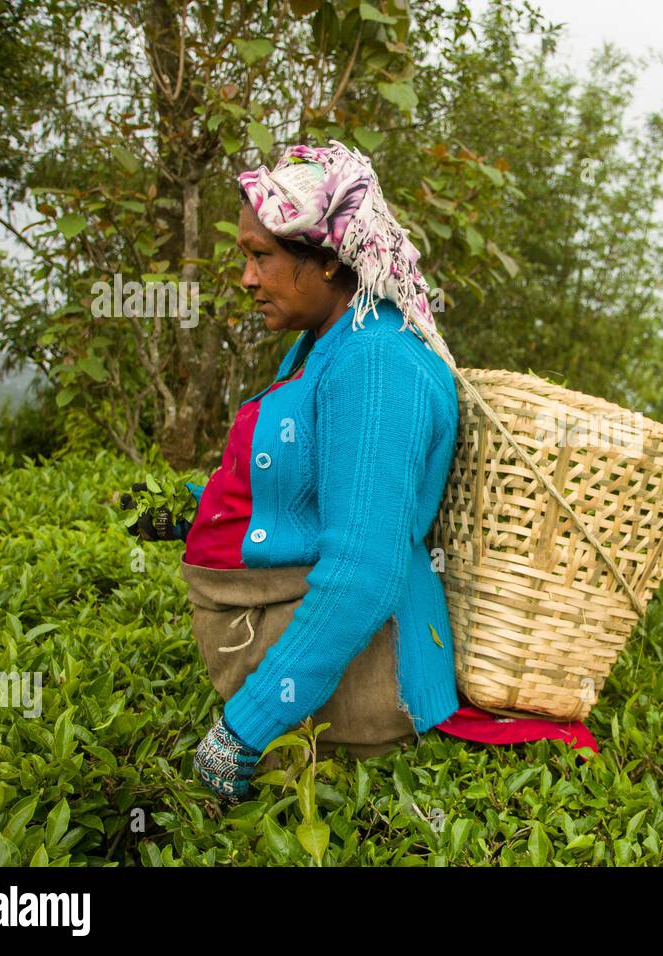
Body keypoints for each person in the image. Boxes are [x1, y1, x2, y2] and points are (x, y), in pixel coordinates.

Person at [170, 140, 462, 800]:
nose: (247, 278)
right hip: (306, 682)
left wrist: (247, 728)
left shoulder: (376, 363)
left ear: (329, 262)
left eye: (261, 256)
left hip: (362, 709)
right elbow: (301, 486)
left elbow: (363, 571)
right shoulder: (328, 342)